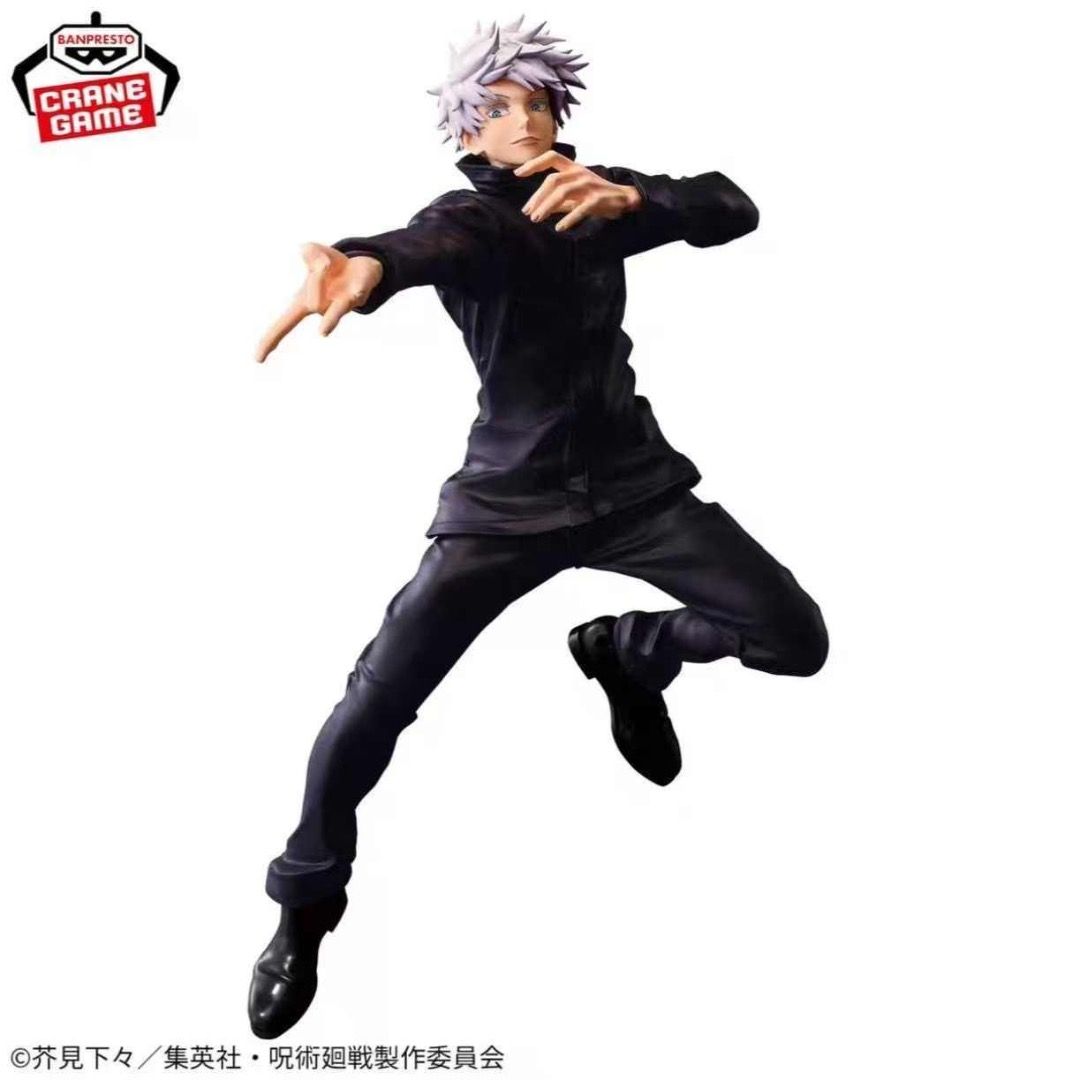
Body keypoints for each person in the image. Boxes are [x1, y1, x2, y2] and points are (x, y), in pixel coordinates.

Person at [248, 16, 828, 1039]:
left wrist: (640, 201)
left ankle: (628, 650)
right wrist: (362, 268)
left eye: (541, 102)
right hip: (507, 509)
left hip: (636, 489)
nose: (526, 120)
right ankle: (305, 904)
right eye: (501, 107)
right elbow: (419, 248)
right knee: (374, 703)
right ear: (467, 131)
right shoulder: (471, 221)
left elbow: (731, 204)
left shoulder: (597, 198)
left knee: (794, 639)